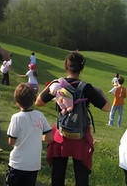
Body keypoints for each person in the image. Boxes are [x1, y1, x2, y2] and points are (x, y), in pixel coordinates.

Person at [35, 51, 111, 186]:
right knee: (81, 177)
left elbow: (39, 102)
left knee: (58, 175)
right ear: (81, 68)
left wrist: (51, 86)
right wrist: (99, 92)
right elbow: (107, 108)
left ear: (66, 66)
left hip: (61, 134)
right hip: (80, 136)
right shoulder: (86, 88)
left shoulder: (58, 85)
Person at [6, 83, 53, 186]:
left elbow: (11, 141)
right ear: (34, 99)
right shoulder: (40, 115)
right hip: (33, 164)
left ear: (17, 101)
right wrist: (35, 138)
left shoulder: (16, 118)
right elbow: (50, 136)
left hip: (17, 164)